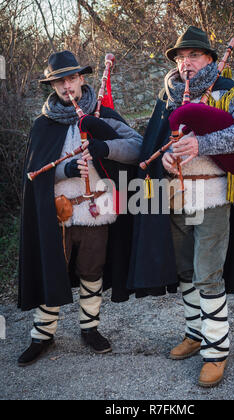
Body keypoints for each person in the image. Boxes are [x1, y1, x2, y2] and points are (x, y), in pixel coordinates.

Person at [128, 27, 234, 387]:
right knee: (185, 270)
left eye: (193, 55)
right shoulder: (168, 97)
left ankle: (216, 351)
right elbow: (158, 143)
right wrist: (164, 159)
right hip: (177, 197)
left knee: (208, 273)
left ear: (209, 58)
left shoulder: (228, 92)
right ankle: (195, 334)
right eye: (180, 57)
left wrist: (202, 144)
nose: (185, 63)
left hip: (211, 197)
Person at [18, 50, 143, 366]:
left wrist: (104, 147)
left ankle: (90, 328)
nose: (66, 85)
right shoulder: (43, 125)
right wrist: (66, 170)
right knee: (52, 269)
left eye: (71, 78)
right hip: (58, 212)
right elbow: (35, 173)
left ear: (82, 78)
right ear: (53, 86)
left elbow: (137, 148)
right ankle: (43, 335)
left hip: (95, 211)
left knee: (92, 269)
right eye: (59, 80)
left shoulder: (103, 115)